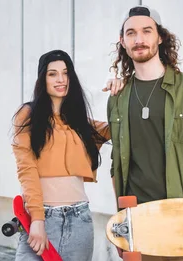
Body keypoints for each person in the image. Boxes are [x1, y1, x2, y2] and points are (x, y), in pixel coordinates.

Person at [104, 5, 183, 261]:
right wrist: (121, 225)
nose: (139, 40)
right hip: (140, 228)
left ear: (160, 37)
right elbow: (117, 167)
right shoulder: (118, 98)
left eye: (146, 31)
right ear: (123, 42)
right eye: (131, 33)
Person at [11, 49, 122, 261]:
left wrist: (120, 92)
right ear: (42, 78)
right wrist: (37, 219)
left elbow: (121, 129)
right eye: (52, 74)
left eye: (65, 73)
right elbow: (27, 169)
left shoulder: (80, 123)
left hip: (79, 219)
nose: (61, 79)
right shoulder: (28, 116)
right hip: (43, 217)